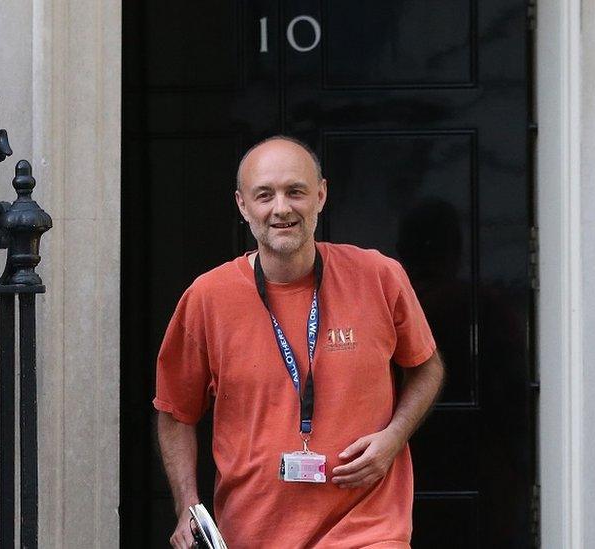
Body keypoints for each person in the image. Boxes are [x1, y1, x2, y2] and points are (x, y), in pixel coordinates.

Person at [153, 136, 446, 549]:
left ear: (321, 195)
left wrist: (394, 437)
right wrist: (188, 506)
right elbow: (175, 411)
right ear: (242, 205)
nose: (282, 208)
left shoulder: (379, 276)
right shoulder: (208, 297)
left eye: (296, 191)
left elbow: (426, 366)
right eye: (264, 195)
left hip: (368, 528)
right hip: (252, 531)